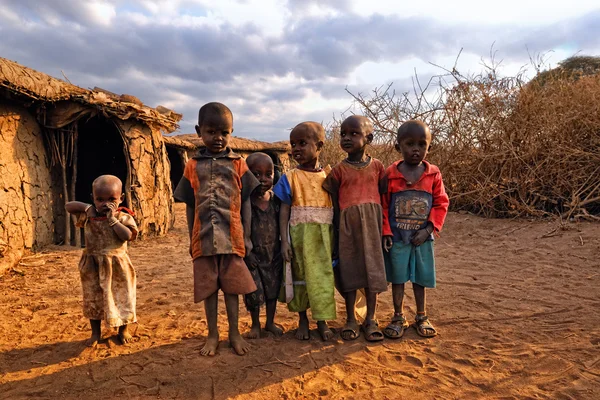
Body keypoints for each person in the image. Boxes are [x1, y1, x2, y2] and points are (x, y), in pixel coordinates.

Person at [174, 102, 260, 356]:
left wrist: (246, 234)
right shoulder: (192, 166)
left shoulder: (238, 164)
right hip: (204, 238)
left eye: (225, 132)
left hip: (232, 238)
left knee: (232, 288)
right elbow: (190, 205)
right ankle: (213, 334)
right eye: (212, 132)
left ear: (231, 132)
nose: (219, 138)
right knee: (209, 289)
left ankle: (234, 333)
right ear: (199, 131)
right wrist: (192, 237)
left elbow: (246, 201)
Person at [381, 120, 449, 339]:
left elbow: (441, 203)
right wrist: (387, 232)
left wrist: (428, 228)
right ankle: (398, 316)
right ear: (397, 146)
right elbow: (383, 205)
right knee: (398, 279)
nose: (416, 149)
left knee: (420, 279)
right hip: (398, 237)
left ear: (430, 146)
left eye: (422, 144)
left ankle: (422, 315)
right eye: (409, 144)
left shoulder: (433, 174)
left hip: (422, 238)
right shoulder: (390, 175)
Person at [323, 115, 387, 342]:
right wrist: (336, 231)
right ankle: (350, 319)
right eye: (343, 134)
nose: (346, 138)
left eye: (353, 134)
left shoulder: (378, 167)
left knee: (372, 274)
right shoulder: (338, 171)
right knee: (349, 272)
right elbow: (331, 203)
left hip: (372, 229)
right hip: (347, 230)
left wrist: (386, 231)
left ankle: (371, 319)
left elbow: (384, 197)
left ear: (368, 138)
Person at [273, 121, 336, 341]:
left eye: (302, 143)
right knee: (298, 277)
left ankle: (322, 320)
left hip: (323, 241)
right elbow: (283, 211)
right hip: (298, 239)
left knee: (322, 279)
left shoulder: (329, 178)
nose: (296, 148)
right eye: (293, 144)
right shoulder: (289, 178)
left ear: (318, 146)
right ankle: (302, 319)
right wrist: (284, 241)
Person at [65, 175, 138, 347]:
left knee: (122, 297)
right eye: (100, 199)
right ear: (93, 198)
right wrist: (87, 207)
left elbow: (127, 236)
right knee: (93, 298)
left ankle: (123, 330)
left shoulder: (122, 217)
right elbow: (68, 206)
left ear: (121, 199)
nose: (105, 204)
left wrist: (112, 220)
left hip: (117, 265)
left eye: (112, 199)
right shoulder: (88, 215)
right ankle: (96, 332)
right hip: (93, 265)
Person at [243, 152, 284, 339]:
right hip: (253, 256)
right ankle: (255, 325)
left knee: (272, 290)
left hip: (273, 255)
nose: (263, 179)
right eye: (256, 174)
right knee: (254, 292)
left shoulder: (276, 201)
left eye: (269, 174)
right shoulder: (245, 203)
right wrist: (247, 253)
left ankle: (269, 322)